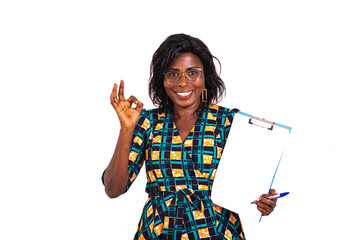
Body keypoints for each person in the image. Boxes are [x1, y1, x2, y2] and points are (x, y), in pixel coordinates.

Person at [102, 33, 277, 240]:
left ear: (205, 77)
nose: (183, 82)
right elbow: (113, 189)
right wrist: (126, 129)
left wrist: (265, 202)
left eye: (192, 73)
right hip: (160, 233)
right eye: (173, 74)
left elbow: (253, 187)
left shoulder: (229, 122)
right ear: (162, 79)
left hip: (215, 232)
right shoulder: (148, 122)